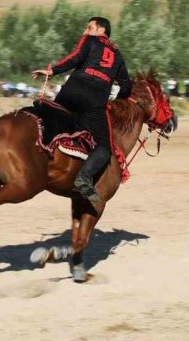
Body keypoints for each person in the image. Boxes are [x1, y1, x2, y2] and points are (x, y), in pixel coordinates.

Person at [33, 16, 132, 204]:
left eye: (89, 28)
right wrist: (116, 103)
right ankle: (83, 177)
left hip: (71, 93)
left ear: (101, 31)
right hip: (94, 103)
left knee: (47, 118)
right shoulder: (117, 55)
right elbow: (127, 87)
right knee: (104, 146)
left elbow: (74, 58)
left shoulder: (90, 41)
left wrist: (52, 70)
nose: (85, 32)